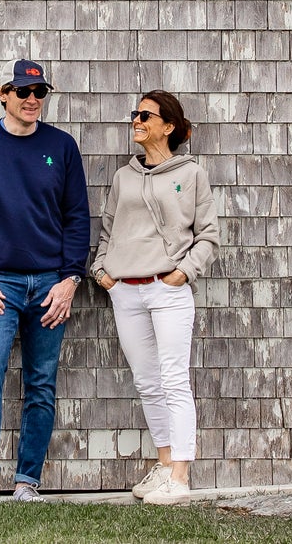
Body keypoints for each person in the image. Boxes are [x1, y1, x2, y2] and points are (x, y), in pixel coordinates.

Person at [0, 58, 91, 508]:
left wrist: (70, 279)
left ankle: (28, 481)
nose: (32, 100)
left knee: (41, 381)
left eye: (39, 92)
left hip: (50, 285)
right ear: (3, 93)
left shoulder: (62, 147)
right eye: (23, 91)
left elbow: (77, 218)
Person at [91, 90, 219, 505]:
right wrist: (102, 273)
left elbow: (208, 235)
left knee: (174, 380)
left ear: (168, 126)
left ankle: (180, 476)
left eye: (146, 115)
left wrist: (183, 272)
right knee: (148, 383)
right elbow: (108, 230)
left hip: (168, 291)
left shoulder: (192, 174)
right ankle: (164, 465)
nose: (137, 120)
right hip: (125, 292)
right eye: (136, 114)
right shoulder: (123, 177)